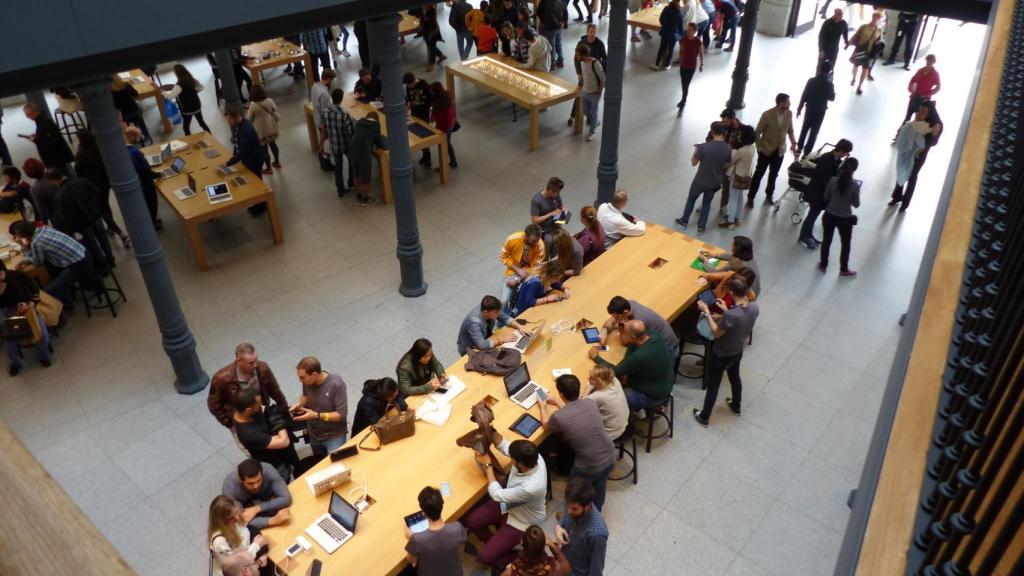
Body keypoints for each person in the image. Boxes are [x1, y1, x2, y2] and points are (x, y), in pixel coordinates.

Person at [464, 434, 548, 569]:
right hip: (509, 504)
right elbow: (503, 444)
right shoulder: (533, 457)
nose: (510, 458)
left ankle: (515, 556)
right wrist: (489, 429)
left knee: (484, 558)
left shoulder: (531, 487)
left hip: (522, 520)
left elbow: (496, 494)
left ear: (520, 464)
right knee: (472, 521)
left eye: (513, 460)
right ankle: (497, 544)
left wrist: (488, 465)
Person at [539, 374, 616, 509]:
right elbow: (574, 413)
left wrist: (542, 407)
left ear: (562, 394)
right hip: (609, 455)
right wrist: (558, 402)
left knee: (574, 491)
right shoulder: (589, 402)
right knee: (600, 485)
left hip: (589, 465)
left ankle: (571, 515)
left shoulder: (558, 417)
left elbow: (546, 425)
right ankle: (596, 511)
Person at [692, 276, 758, 426]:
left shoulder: (731, 315)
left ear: (732, 292)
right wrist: (726, 310)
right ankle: (736, 406)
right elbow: (740, 318)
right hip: (737, 350)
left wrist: (707, 311)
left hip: (721, 353)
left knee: (714, 384)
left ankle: (704, 416)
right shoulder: (754, 307)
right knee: (735, 377)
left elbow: (716, 332)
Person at [589, 320, 675, 412]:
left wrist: (596, 357)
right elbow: (631, 346)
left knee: (610, 400)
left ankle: (633, 413)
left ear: (633, 337)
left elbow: (615, 372)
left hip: (652, 395)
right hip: (665, 382)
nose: (621, 333)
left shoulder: (640, 356)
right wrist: (627, 365)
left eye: (624, 332)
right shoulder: (653, 335)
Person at [207, 342, 289, 439]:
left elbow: (275, 391)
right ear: (238, 360)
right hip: (241, 421)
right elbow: (214, 405)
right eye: (250, 363)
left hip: (262, 413)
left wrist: (285, 411)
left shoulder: (263, 368)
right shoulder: (221, 379)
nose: (255, 365)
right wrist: (230, 424)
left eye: (256, 360)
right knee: (250, 448)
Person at [9, 220, 94, 308]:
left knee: (46, 292)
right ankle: (68, 305)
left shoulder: (36, 242)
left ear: (24, 236)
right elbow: (36, 254)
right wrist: (25, 259)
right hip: (84, 254)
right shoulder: (44, 229)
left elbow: (37, 262)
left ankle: (61, 312)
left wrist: (22, 247)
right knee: (56, 276)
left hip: (77, 267)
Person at [46, 168, 115, 271]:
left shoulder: (60, 195)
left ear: (52, 180)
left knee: (92, 245)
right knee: (103, 239)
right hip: (95, 216)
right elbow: (97, 192)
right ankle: (110, 259)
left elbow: (65, 216)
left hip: (82, 224)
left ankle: (103, 264)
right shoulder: (81, 181)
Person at [73, 130, 129, 248]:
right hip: (104, 182)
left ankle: (121, 233)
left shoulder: (81, 155)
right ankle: (111, 227)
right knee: (105, 205)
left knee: (102, 210)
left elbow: (78, 172)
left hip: (92, 186)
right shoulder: (100, 148)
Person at [675, 122, 732, 234]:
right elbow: (727, 164)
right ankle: (701, 227)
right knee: (707, 203)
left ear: (712, 131)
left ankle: (684, 221)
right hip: (714, 182)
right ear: (723, 132)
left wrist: (696, 151)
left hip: (700, 180)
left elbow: (693, 163)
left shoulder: (703, 147)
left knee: (691, 199)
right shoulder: (728, 148)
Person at [233, 387, 300, 480]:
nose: (261, 406)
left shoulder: (241, 411)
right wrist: (278, 424)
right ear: (248, 410)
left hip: (279, 451)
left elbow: (265, 409)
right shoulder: (249, 435)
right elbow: (284, 441)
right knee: (284, 479)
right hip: (274, 463)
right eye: (258, 405)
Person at [288, 357, 349, 457]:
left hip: (333, 436)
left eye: (302, 377)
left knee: (334, 466)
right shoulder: (307, 381)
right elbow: (305, 395)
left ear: (314, 374)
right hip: (314, 434)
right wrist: (299, 405)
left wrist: (316, 415)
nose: (300, 381)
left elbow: (340, 415)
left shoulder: (336, 384)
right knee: (319, 460)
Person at [798, 138, 852, 249]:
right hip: (817, 193)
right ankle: (803, 237)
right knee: (812, 216)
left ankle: (808, 235)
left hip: (822, 194)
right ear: (841, 150)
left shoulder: (836, 160)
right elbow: (825, 179)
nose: (846, 155)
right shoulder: (826, 159)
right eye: (846, 152)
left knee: (814, 215)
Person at [0, 260, 51, 376]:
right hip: (11, 311)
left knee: (41, 333)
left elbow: (34, 288)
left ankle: (44, 356)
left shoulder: (15, 275)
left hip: (28, 308)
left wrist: (32, 302)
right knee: (9, 339)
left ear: (4, 270)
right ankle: (15, 364)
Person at [746, 93, 798, 207]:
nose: (790, 103)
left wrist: (794, 142)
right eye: (788, 101)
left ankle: (769, 194)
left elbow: (790, 130)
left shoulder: (789, 114)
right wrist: (760, 148)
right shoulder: (767, 115)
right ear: (781, 103)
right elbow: (757, 133)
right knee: (759, 174)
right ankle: (751, 196)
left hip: (779, 151)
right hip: (766, 150)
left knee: (774, 174)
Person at [404, 486, 467, 575]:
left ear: (424, 513)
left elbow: (412, 560)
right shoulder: (458, 528)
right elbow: (459, 553)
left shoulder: (417, 540)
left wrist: (411, 538)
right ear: (442, 504)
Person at [890, 102, 940, 212]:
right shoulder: (919, 116)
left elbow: (933, 142)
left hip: (919, 155)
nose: (921, 112)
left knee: (912, 176)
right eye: (921, 109)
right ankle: (896, 196)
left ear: (930, 111)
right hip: (907, 151)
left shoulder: (936, 124)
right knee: (901, 170)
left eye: (924, 110)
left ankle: (905, 202)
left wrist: (924, 138)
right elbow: (910, 129)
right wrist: (916, 121)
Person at [554, 479, 609, 576]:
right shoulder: (573, 505)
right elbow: (563, 520)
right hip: (564, 561)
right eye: (567, 505)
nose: (569, 511)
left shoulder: (597, 534)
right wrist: (558, 527)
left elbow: (596, 571)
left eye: (574, 508)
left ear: (588, 505)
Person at [818, 157, 861, 278]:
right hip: (845, 219)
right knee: (845, 244)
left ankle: (823, 265)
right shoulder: (855, 186)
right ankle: (843, 269)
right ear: (855, 170)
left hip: (829, 215)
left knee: (826, 241)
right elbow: (856, 204)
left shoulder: (832, 180)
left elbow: (826, 197)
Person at [221, 459, 292, 530]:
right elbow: (239, 522)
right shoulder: (230, 487)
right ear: (240, 480)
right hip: (247, 509)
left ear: (262, 473)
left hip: (268, 501)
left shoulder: (268, 470)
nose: (256, 486)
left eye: (259, 480)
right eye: (250, 483)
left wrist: (257, 508)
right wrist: (273, 520)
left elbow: (286, 498)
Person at [601, 295, 680, 358]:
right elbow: (610, 321)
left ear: (625, 312)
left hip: (668, 350)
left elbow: (624, 341)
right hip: (665, 341)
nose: (615, 319)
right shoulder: (628, 305)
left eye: (616, 317)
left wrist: (621, 325)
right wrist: (604, 330)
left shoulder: (638, 321)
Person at [208, 495, 268, 576]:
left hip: (250, 561)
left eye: (236, 512)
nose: (237, 518)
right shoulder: (219, 542)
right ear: (221, 521)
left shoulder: (235, 521)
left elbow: (248, 534)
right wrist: (256, 546)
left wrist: (262, 554)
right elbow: (237, 567)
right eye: (230, 518)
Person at [123, 126, 161, 230]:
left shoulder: (124, 150)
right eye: (139, 136)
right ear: (133, 137)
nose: (140, 139)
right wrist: (157, 175)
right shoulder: (135, 151)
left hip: (137, 182)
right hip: (145, 184)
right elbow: (144, 169)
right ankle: (153, 223)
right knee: (151, 203)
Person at [796, 62, 836, 158]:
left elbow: (804, 94)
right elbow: (832, 98)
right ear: (829, 71)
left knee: (804, 128)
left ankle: (799, 148)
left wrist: (799, 108)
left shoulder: (811, 81)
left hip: (809, 108)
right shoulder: (829, 84)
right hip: (820, 110)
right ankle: (807, 152)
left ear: (819, 68)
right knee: (814, 132)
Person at [320, 88, 356, 198]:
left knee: (338, 167)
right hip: (345, 144)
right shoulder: (345, 114)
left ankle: (340, 189)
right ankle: (351, 181)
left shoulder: (325, 112)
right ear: (341, 99)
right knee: (351, 162)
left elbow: (323, 129)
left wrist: (321, 143)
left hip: (334, 144)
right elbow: (349, 133)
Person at [499, 224, 546, 305]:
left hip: (530, 274)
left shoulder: (540, 245)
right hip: (513, 271)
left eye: (538, 240)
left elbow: (537, 266)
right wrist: (518, 270)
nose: (536, 243)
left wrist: (518, 279)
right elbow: (503, 256)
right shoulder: (512, 239)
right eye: (533, 241)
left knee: (525, 300)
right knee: (504, 301)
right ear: (526, 236)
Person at [895, 54, 941, 137]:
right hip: (914, 97)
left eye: (930, 62)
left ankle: (911, 137)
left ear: (933, 62)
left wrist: (930, 93)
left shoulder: (935, 74)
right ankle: (898, 135)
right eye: (927, 61)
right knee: (907, 117)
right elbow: (912, 81)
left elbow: (938, 87)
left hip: (923, 101)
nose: (928, 63)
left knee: (918, 120)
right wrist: (911, 90)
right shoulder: (920, 71)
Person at [21, 103, 73, 175]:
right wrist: (37, 136)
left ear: (34, 112)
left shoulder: (44, 123)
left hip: (55, 157)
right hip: (56, 156)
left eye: (28, 114)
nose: (27, 117)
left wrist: (35, 140)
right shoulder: (41, 120)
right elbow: (45, 136)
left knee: (62, 174)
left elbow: (50, 142)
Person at [721, 124, 756, 230]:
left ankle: (730, 221)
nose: (738, 136)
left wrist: (722, 164)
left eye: (740, 134)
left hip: (736, 177)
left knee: (733, 199)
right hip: (745, 176)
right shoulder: (752, 148)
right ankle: (737, 218)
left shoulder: (741, 151)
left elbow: (730, 162)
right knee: (740, 197)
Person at [350, 110, 388, 206]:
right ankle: (365, 199)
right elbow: (379, 141)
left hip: (352, 149)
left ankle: (358, 196)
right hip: (363, 152)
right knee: (365, 177)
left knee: (356, 173)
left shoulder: (359, 123)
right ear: (376, 119)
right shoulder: (376, 125)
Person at [582, 365, 629, 440]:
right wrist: (591, 384)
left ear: (599, 381)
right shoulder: (614, 380)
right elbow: (593, 385)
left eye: (591, 378)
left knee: (577, 424)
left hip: (609, 433)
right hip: (623, 423)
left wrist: (584, 394)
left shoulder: (597, 396)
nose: (588, 379)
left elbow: (581, 405)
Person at [503, 525, 570, 576]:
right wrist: (552, 545)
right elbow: (567, 566)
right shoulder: (552, 567)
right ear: (544, 546)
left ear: (522, 542)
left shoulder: (515, 567)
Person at [245, 85, 281, 175]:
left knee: (264, 149)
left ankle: (268, 168)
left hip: (261, 131)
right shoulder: (269, 100)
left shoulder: (253, 106)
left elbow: (249, 119)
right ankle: (277, 162)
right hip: (271, 127)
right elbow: (274, 109)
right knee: (273, 144)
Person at [169, 64, 210, 137]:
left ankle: (189, 140)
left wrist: (162, 92)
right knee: (201, 122)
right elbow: (201, 87)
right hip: (197, 105)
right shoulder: (191, 79)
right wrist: (192, 92)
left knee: (186, 127)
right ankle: (211, 136)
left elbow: (170, 97)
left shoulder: (179, 84)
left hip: (188, 109)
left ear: (177, 73)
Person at [110, 76, 153, 145]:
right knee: (139, 117)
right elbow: (135, 93)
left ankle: (129, 139)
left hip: (125, 116)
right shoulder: (126, 85)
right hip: (135, 111)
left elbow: (114, 106)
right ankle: (146, 135)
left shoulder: (110, 93)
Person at [848, 12, 883, 95]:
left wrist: (879, 44)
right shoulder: (864, 27)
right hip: (860, 49)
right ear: (872, 17)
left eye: (878, 18)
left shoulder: (879, 30)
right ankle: (854, 78)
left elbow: (880, 40)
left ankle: (859, 86)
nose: (876, 19)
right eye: (875, 17)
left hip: (869, 52)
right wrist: (849, 43)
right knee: (855, 66)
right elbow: (855, 35)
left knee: (865, 69)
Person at [405, 73, 434, 167]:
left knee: (424, 135)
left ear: (413, 81)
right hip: (415, 114)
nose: (408, 87)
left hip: (424, 114)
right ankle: (425, 155)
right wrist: (406, 110)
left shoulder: (425, 85)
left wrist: (430, 114)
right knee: (418, 135)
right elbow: (409, 99)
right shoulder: (408, 87)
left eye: (409, 84)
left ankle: (428, 158)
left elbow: (431, 100)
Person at [577, 45, 605, 143]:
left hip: (594, 93)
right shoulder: (581, 63)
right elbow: (584, 76)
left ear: (584, 55)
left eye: (578, 55)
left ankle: (592, 132)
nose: (577, 57)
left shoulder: (595, 63)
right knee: (585, 112)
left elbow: (602, 78)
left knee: (593, 113)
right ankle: (596, 121)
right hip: (585, 91)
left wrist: (600, 92)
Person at [676, 23, 704, 117]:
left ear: (695, 31)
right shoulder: (683, 39)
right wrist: (680, 59)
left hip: (691, 66)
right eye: (687, 30)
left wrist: (701, 64)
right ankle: (683, 100)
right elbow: (681, 50)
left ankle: (682, 103)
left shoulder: (697, 41)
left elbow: (701, 53)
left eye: (690, 30)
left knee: (685, 84)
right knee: (683, 83)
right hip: (683, 65)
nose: (688, 32)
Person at [430, 82, 459, 170]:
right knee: (447, 143)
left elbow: (437, 119)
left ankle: (444, 166)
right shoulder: (448, 94)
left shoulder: (438, 105)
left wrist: (432, 114)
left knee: (443, 146)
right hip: (451, 123)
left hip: (443, 127)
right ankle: (453, 162)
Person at [530, 177, 566, 249]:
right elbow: (535, 221)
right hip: (545, 230)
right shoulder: (536, 201)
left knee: (563, 242)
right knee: (548, 243)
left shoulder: (556, 195)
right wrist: (551, 214)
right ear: (550, 191)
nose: (559, 194)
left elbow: (561, 207)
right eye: (557, 192)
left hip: (556, 224)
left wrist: (563, 212)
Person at [652, 0, 684, 71]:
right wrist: (681, 35)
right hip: (674, 34)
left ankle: (656, 64)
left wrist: (665, 25)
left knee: (662, 48)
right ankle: (667, 65)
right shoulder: (679, 13)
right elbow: (681, 26)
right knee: (671, 49)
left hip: (665, 32)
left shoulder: (666, 9)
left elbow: (661, 19)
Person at [537, 0, 567, 69]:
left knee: (551, 46)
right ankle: (560, 61)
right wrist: (562, 22)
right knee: (558, 44)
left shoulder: (544, 2)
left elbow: (540, 13)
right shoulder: (561, 1)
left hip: (550, 27)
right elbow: (565, 12)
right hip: (558, 27)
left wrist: (543, 22)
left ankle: (552, 64)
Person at [311, 69, 336, 141]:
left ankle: (321, 149)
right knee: (326, 137)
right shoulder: (324, 94)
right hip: (323, 123)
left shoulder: (314, 86)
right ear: (328, 79)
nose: (332, 82)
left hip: (316, 117)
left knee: (322, 136)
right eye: (332, 80)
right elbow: (325, 112)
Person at [422, 5, 448, 72]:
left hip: (432, 32)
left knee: (432, 47)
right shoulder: (426, 10)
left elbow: (430, 22)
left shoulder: (431, 11)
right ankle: (441, 55)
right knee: (431, 46)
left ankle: (431, 63)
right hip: (428, 31)